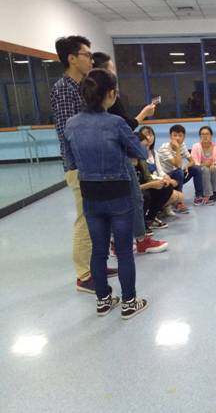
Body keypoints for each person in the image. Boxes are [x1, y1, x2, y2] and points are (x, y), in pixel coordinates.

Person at [64, 68, 148, 319]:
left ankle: (103, 300)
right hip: (118, 193)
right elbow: (141, 153)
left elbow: (70, 161)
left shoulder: (71, 124)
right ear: (110, 94)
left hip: (90, 195)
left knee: (98, 250)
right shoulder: (116, 123)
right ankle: (129, 302)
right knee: (123, 251)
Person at [92, 52, 168, 254]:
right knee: (133, 198)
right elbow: (126, 126)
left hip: (99, 163)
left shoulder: (84, 117)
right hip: (117, 158)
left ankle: (119, 242)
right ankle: (136, 240)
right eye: (112, 70)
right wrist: (144, 114)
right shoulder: (111, 110)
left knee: (114, 201)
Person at [50, 35, 106, 294]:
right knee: (85, 219)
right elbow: (68, 132)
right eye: (87, 55)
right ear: (72, 58)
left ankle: (96, 267)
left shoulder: (83, 86)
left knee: (97, 218)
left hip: (93, 164)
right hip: (80, 166)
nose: (91, 60)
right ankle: (84, 275)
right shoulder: (64, 89)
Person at [138, 125, 189, 214]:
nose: (149, 137)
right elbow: (147, 175)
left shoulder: (154, 152)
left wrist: (165, 177)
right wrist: (164, 180)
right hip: (147, 183)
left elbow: (160, 171)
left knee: (178, 179)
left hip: (156, 179)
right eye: (146, 135)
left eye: (151, 135)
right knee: (172, 187)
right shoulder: (139, 154)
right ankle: (153, 212)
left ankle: (163, 207)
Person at [158, 125, 207, 206]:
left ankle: (199, 196)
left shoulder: (182, 145)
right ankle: (178, 202)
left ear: (184, 137)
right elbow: (178, 165)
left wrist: (187, 166)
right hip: (166, 178)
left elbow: (192, 161)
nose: (177, 138)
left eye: (180, 136)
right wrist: (177, 148)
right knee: (179, 171)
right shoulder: (164, 148)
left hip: (178, 176)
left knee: (196, 169)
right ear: (170, 136)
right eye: (175, 135)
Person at [191, 126, 216, 203]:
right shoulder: (195, 146)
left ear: (211, 135)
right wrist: (205, 164)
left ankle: (214, 191)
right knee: (205, 170)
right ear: (200, 136)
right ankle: (208, 194)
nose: (205, 136)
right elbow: (194, 162)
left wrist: (214, 164)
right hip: (201, 168)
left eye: (207, 134)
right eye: (203, 134)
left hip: (211, 167)